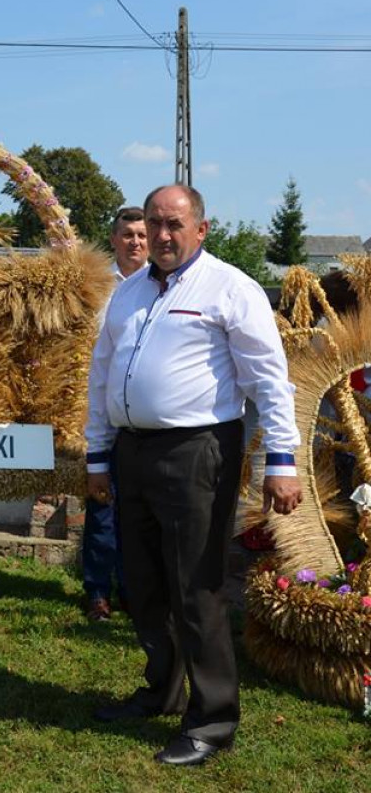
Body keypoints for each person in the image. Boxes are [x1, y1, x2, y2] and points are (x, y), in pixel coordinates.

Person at [85, 184, 302, 766]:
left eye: (174, 224)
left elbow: (268, 379)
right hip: (133, 450)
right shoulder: (128, 293)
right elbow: (101, 375)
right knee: (146, 584)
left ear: (201, 229)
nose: (161, 234)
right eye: (154, 223)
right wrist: (98, 455)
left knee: (197, 587)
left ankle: (213, 721)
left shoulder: (231, 288)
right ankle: (161, 690)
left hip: (198, 451)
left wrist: (281, 460)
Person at [82, 207, 148, 622]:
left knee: (138, 515)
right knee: (102, 506)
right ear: (114, 240)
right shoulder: (97, 287)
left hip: (142, 415)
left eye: (141, 235)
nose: (136, 242)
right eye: (128, 235)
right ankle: (97, 590)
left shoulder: (161, 287)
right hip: (102, 406)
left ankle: (133, 588)